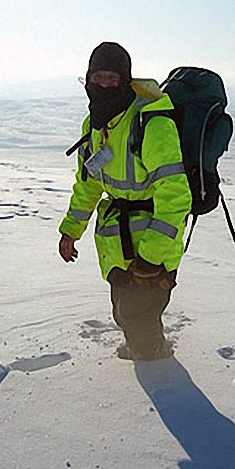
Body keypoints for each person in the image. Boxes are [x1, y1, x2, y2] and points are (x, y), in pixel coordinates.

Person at [58, 42, 192, 360]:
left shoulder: (151, 124)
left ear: (125, 80)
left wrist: (151, 257)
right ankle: (146, 350)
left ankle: (157, 368)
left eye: (112, 78)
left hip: (150, 242)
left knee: (139, 320)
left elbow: (175, 197)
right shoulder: (96, 125)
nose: (104, 84)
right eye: (98, 77)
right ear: (88, 79)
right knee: (124, 311)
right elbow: (88, 185)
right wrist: (71, 230)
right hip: (116, 243)